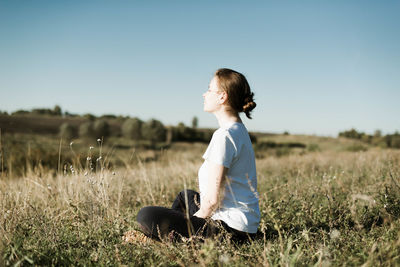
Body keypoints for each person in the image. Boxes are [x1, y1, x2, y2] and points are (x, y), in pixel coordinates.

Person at [136, 68, 260, 243]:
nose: (204, 94)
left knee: (146, 214)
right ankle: (174, 234)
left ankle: (184, 239)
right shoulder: (238, 130)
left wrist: (195, 224)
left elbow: (211, 201)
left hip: (229, 230)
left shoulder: (224, 136)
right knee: (185, 196)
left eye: (209, 89)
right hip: (245, 227)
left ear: (222, 97)